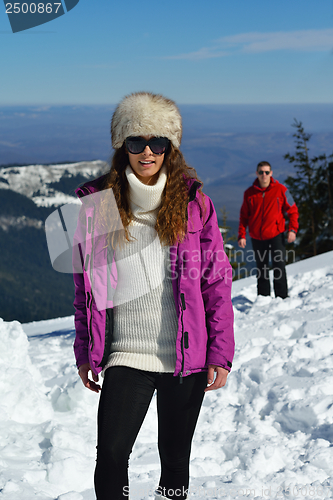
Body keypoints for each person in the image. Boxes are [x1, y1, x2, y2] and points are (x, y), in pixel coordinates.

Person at [72, 92, 235, 500]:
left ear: (170, 148)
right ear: (121, 147)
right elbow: (84, 291)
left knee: (175, 459)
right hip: (127, 352)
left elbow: (216, 283)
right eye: (135, 142)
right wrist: (84, 349)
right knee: (110, 453)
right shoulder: (99, 207)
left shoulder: (196, 205)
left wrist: (220, 353)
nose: (147, 152)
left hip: (185, 356)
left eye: (157, 143)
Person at [238, 160, 299, 299]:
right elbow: (243, 216)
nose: (264, 175)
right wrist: (241, 234)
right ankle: (263, 298)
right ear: (257, 174)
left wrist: (292, 229)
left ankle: (282, 297)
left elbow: (293, 210)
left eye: (266, 172)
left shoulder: (281, 190)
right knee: (262, 268)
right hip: (257, 237)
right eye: (261, 172)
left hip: (276, 234)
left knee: (279, 266)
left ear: (271, 173)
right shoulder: (249, 193)